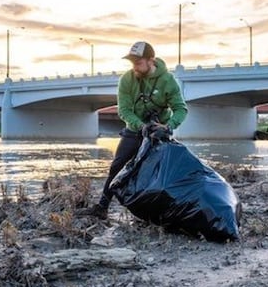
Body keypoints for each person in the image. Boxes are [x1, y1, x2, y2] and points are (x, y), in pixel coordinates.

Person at [79, 41, 188, 220]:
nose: (134, 67)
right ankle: (102, 207)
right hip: (134, 130)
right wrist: (140, 126)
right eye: (132, 63)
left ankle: (160, 214)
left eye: (138, 62)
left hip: (159, 131)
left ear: (151, 61)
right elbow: (124, 110)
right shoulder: (127, 80)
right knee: (117, 166)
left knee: (158, 173)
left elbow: (181, 109)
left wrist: (168, 126)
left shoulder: (168, 81)